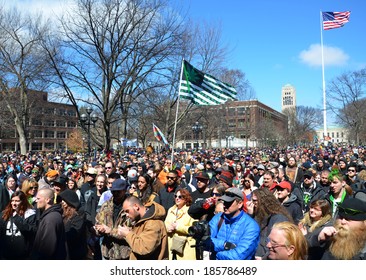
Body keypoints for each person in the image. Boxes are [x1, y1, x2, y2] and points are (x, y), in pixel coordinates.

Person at [209, 187, 260, 260]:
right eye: (224, 202)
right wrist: (225, 245)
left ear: (240, 204)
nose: (224, 205)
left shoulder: (251, 226)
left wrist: (215, 254)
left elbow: (238, 256)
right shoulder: (218, 218)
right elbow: (207, 240)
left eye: (229, 203)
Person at [246, 188, 293, 259]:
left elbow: (276, 243)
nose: (251, 203)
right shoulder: (259, 214)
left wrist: (264, 258)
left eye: (255, 201)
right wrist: (250, 215)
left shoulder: (278, 218)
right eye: (251, 200)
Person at [118, 195, 169, 260]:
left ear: (136, 206)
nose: (127, 215)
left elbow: (144, 248)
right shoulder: (140, 220)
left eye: (127, 211)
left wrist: (128, 234)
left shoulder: (153, 223)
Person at [94, 178, 131, 260]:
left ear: (124, 191)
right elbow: (98, 222)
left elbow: (130, 232)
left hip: (124, 253)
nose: (115, 194)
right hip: (107, 251)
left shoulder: (130, 207)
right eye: (113, 191)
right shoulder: (106, 205)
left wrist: (110, 230)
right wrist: (99, 230)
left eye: (119, 192)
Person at [31, 188, 67, 259]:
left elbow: (47, 249)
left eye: (38, 198)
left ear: (47, 200)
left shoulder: (50, 219)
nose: (36, 201)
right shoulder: (50, 216)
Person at [0, 191, 37, 259]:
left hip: (22, 254)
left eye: (17, 201)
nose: (14, 203)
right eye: (12, 200)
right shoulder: (5, 214)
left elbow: (32, 231)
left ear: (23, 201)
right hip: (5, 253)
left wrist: (17, 217)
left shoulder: (30, 214)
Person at [164, 189, 197, 260]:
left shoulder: (191, 211)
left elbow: (193, 230)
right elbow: (165, 224)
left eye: (180, 197)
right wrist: (167, 228)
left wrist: (178, 227)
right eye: (176, 196)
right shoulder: (171, 210)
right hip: (171, 245)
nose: (177, 198)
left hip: (185, 246)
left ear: (186, 199)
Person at [59, 189, 88, 259]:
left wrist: (59, 236)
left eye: (64, 200)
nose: (62, 202)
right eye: (62, 200)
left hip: (76, 251)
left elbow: (75, 232)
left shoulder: (79, 213)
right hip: (66, 249)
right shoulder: (62, 211)